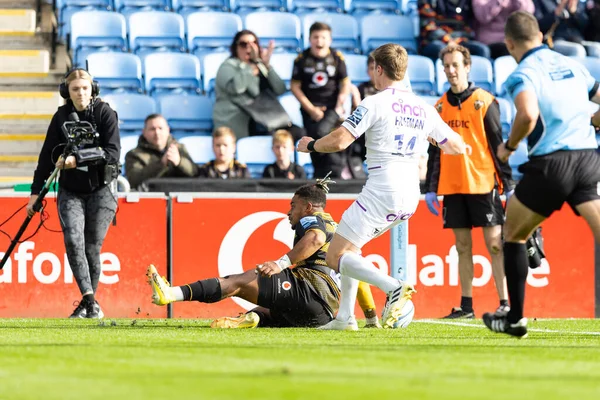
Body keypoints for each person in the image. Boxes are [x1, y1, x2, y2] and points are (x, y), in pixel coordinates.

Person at [298, 43, 467, 330]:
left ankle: (394, 287)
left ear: (379, 69)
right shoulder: (423, 108)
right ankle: (345, 318)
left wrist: (311, 145)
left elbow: (340, 140)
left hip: (382, 190)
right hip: (410, 193)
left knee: (335, 256)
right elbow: (456, 147)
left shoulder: (373, 102)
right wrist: (427, 137)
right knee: (352, 247)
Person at [482, 11, 600, 338]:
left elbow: (528, 115)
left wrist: (509, 145)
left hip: (551, 165)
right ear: (542, 36)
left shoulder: (522, 73)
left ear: (509, 44)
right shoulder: (573, 64)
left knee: (514, 234)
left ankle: (516, 318)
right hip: (589, 160)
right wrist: (592, 122)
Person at [146, 177, 341, 328]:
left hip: (311, 294)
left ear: (307, 207)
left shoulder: (311, 219)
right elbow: (353, 268)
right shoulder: (337, 227)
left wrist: (280, 263)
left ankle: (170, 293)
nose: (289, 212)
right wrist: (370, 314)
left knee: (238, 281)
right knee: (265, 310)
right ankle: (252, 318)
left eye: (293, 205)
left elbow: (316, 239)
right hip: (323, 315)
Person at [425, 45, 513, 319]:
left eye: (455, 65)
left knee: (496, 245)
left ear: (467, 67)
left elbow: (498, 144)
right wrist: (430, 188)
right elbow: (434, 153)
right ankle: (466, 307)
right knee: (462, 248)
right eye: (447, 66)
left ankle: (505, 303)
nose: (451, 71)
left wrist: (507, 184)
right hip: (452, 187)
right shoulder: (438, 106)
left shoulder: (484, 101)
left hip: (483, 183)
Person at [27, 68, 120, 318]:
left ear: (93, 90)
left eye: (85, 88)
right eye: (75, 89)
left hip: (102, 190)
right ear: (66, 92)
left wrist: (76, 158)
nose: (81, 93)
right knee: (72, 240)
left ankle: (89, 303)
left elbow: (112, 153)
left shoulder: (105, 113)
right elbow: (46, 157)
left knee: (91, 247)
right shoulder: (60, 117)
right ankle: (91, 301)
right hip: (70, 190)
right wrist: (36, 193)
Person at [291, 22, 351, 179]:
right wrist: (311, 109)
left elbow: (345, 83)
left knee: (320, 133)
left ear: (330, 40)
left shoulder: (337, 58)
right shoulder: (301, 59)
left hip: (332, 108)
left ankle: (337, 171)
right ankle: (322, 178)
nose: (319, 41)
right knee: (312, 143)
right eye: (315, 37)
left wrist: (339, 105)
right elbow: (295, 86)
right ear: (309, 39)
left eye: (323, 37)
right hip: (309, 109)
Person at [213, 30, 287, 139]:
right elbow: (237, 88)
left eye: (253, 44)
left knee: (298, 133)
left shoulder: (261, 65)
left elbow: (280, 89)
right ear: (236, 47)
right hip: (239, 121)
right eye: (243, 44)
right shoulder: (227, 66)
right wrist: (251, 65)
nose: (248, 48)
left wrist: (267, 66)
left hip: (266, 118)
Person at [124, 114, 198, 190]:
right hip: (150, 199)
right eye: (152, 129)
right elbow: (134, 180)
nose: (157, 133)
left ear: (168, 130)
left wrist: (179, 162)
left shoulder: (179, 148)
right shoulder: (134, 155)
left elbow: (195, 174)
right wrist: (161, 164)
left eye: (160, 128)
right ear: (144, 132)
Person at [418, 0, 492, 61]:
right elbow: (428, 26)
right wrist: (449, 41)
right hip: (435, 41)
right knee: (444, 50)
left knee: (482, 50)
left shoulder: (467, 2)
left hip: (461, 40)